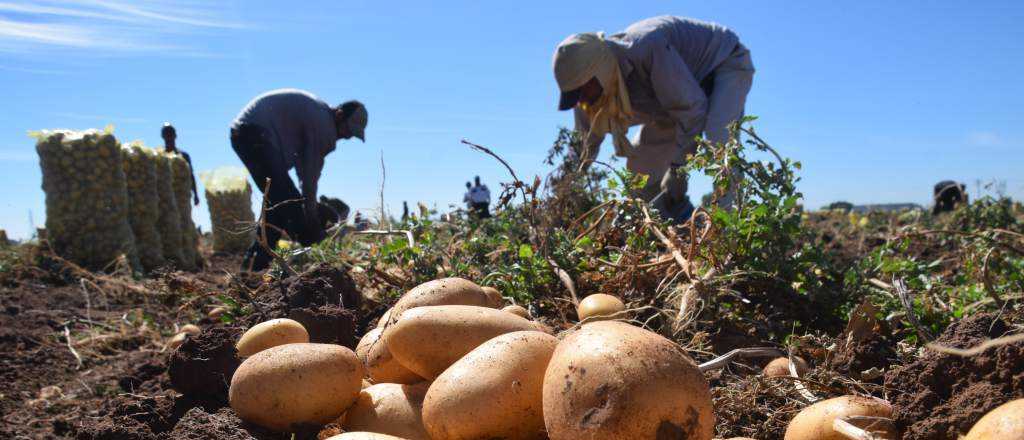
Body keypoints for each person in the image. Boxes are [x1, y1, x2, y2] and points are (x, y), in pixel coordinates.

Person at [552, 15, 754, 223]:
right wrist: (565, 195)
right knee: (640, 170)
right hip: (671, 101)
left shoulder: (646, 48)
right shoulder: (587, 100)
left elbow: (692, 109)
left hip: (721, 64)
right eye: (576, 95)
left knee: (720, 141)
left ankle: (729, 234)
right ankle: (673, 228)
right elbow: (582, 150)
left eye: (583, 90)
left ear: (599, 69)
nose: (582, 99)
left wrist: (678, 173)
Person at [230, 89, 368, 271]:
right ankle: (322, 264)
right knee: (290, 205)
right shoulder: (324, 125)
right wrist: (313, 228)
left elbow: (305, 176)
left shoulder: (319, 115)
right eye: (348, 131)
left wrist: (308, 210)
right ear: (339, 115)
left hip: (248, 131)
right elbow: (308, 179)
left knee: (278, 206)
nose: (347, 137)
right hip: (254, 133)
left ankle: (252, 269)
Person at [161, 123, 199, 206]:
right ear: (163, 136)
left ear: (175, 136)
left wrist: (195, 194)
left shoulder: (183, 156)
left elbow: (191, 175)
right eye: (166, 134)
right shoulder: (160, 155)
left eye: (170, 134)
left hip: (181, 196)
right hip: (165, 198)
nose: (169, 137)